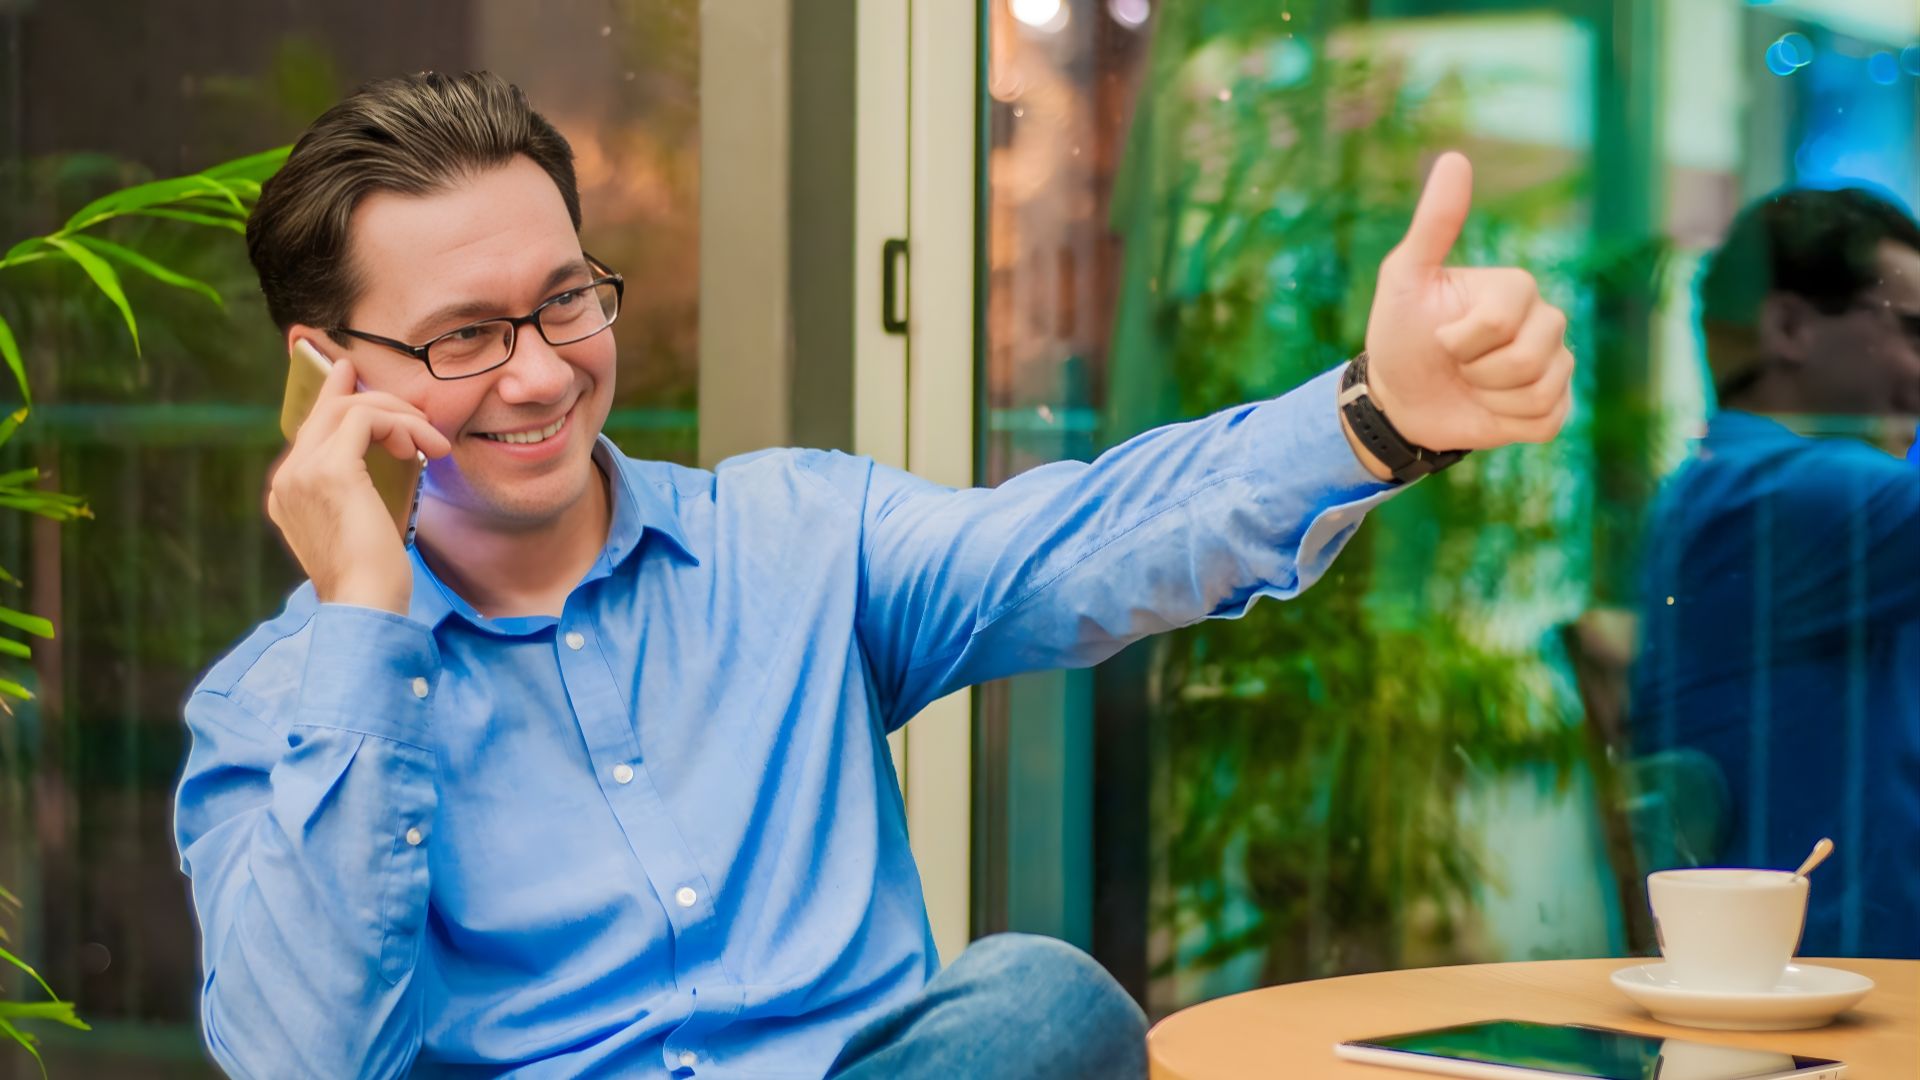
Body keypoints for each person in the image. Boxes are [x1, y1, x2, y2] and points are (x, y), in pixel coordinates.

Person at [173, 71, 1573, 1079]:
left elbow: (1090, 542)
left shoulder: (794, 540)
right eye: (465, 337)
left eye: (561, 301)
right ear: (330, 373)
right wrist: (369, 617)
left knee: (1036, 1003)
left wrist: (1375, 413)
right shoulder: (279, 707)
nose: (541, 372)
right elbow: (304, 1061)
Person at [1632, 187, 1920, 960]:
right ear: (1790, 327)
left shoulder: (1732, 485)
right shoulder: (1779, 496)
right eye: (1912, 332)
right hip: (1831, 1010)